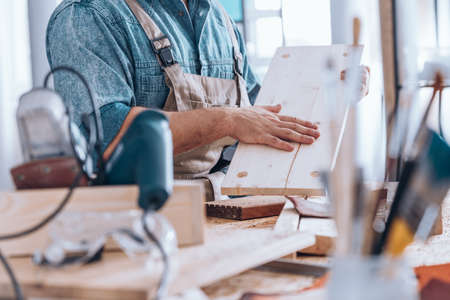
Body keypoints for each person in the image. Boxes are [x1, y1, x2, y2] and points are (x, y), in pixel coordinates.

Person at [47, 0, 369, 199]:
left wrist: (332, 91)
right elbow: (105, 138)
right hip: (142, 226)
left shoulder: (219, 19)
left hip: (228, 208)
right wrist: (225, 120)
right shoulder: (88, 15)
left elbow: (262, 114)